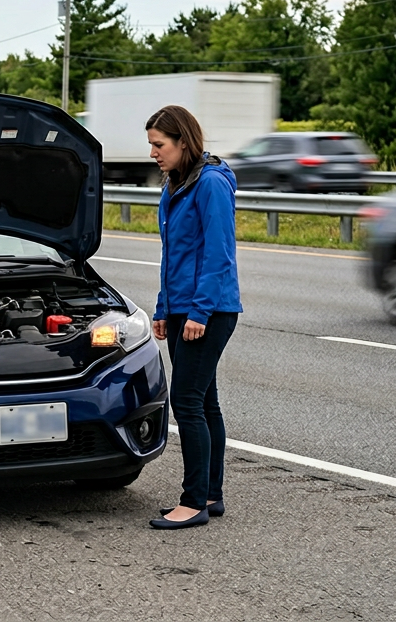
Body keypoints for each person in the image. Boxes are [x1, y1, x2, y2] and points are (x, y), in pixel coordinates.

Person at [144, 105, 242, 530]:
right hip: (185, 307)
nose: (153, 153)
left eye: (159, 145)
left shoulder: (211, 186)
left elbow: (219, 255)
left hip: (212, 309)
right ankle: (211, 494)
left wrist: (198, 312)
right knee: (205, 402)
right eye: (151, 145)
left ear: (184, 141)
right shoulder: (175, 185)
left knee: (185, 401)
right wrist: (165, 307)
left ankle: (193, 502)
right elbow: (174, 256)